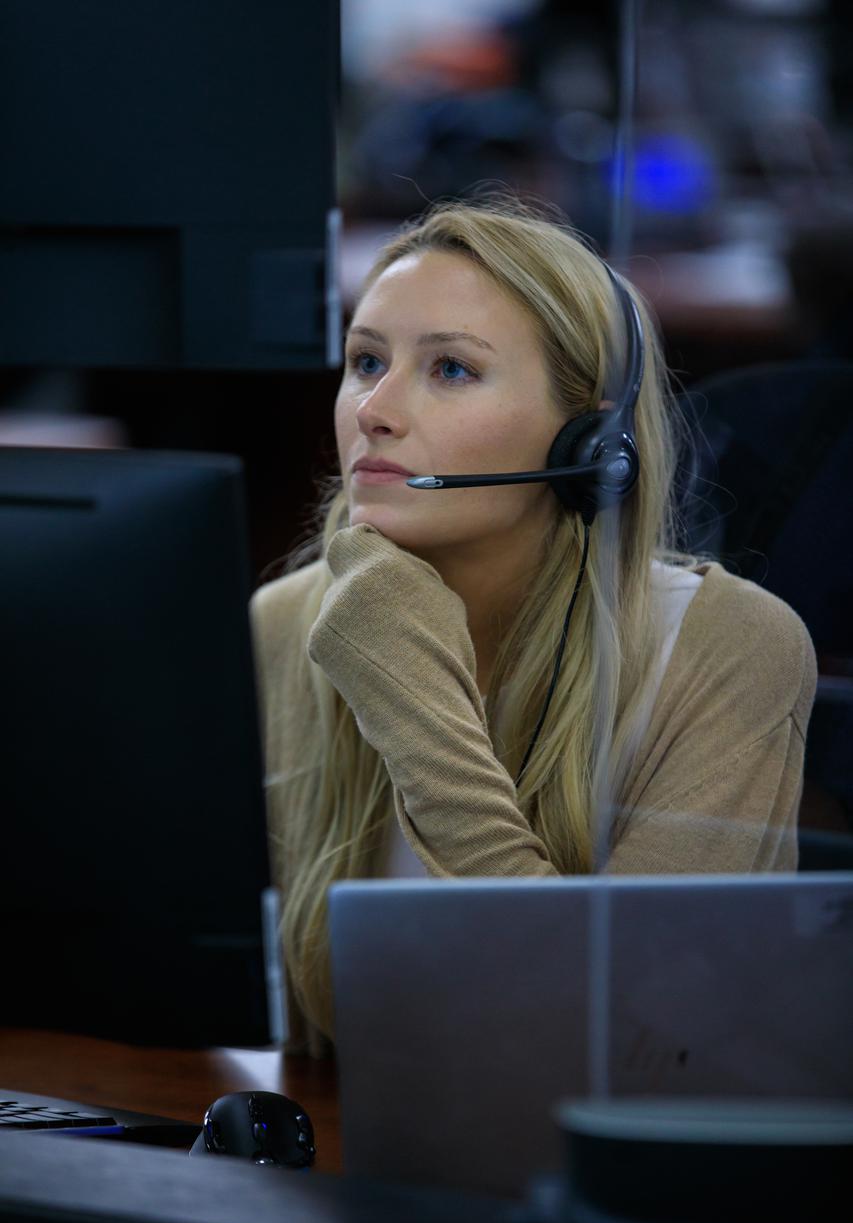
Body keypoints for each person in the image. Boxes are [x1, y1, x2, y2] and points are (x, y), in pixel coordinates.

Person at [250, 198, 817, 1052]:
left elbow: (625, 1037)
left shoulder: (726, 647)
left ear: (587, 438)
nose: (374, 409)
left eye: (449, 371)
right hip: (353, 1154)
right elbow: (287, 1025)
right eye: (365, 361)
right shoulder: (291, 622)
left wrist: (408, 697)